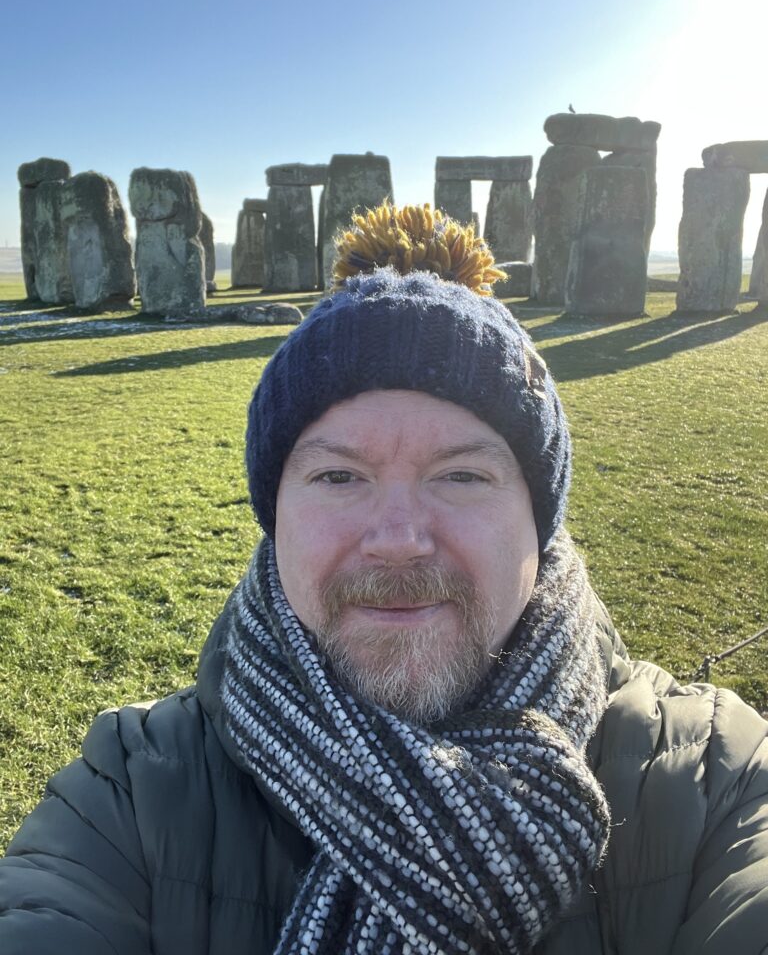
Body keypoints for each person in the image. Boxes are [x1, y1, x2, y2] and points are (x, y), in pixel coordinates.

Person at [1, 203, 766, 954]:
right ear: (276, 520)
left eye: (462, 476)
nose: (398, 541)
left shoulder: (713, 776)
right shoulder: (132, 787)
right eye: (338, 477)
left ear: (542, 522)